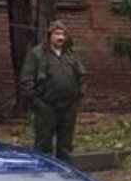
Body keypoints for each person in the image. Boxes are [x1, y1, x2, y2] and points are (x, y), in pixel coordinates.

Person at [20, 20, 86, 162]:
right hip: (46, 106)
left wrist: (78, 96)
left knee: (65, 144)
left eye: (63, 34)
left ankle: (64, 174)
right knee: (43, 143)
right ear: (49, 35)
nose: (60, 37)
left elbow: (81, 75)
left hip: (68, 106)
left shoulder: (71, 54)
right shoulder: (37, 54)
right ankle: (43, 174)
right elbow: (26, 80)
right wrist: (36, 102)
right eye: (57, 34)